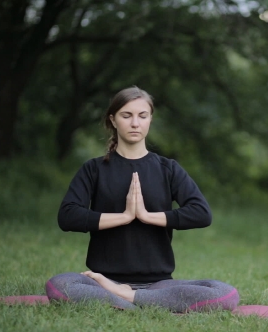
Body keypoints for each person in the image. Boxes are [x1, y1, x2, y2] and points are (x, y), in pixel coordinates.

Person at [45, 86, 239, 313]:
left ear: (150, 120)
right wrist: (124, 216)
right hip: (102, 281)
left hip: (159, 285)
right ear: (113, 120)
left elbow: (201, 213)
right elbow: (67, 216)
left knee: (225, 293)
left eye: (142, 116)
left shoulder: (168, 169)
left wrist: (146, 216)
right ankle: (140, 302)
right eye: (126, 116)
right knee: (59, 284)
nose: (135, 123)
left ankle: (127, 299)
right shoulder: (94, 169)